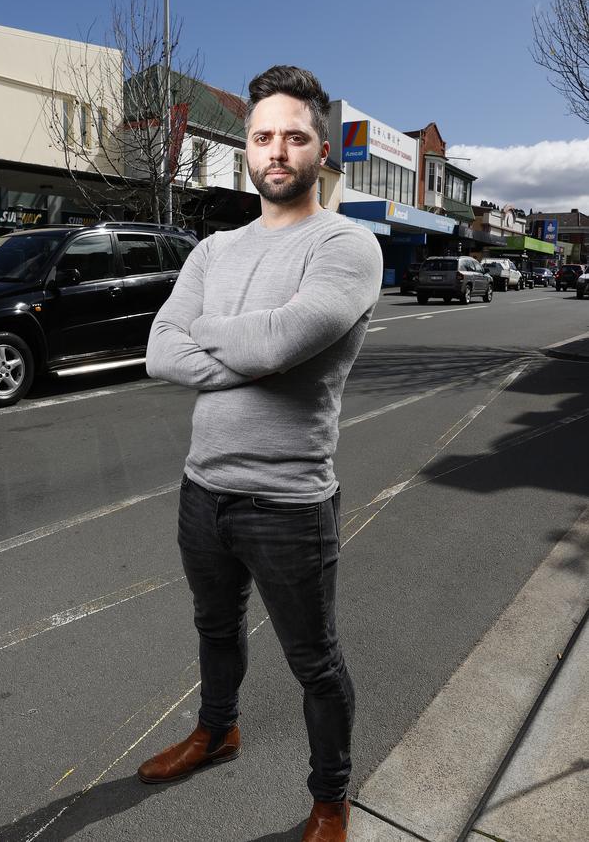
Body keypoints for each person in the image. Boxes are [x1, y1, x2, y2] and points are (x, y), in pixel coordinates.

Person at [138, 65, 382, 842]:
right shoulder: (213, 250)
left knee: (314, 661)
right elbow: (158, 351)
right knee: (215, 629)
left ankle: (330, 799)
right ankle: (218, 730)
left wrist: (217, 337)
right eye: (263, 135)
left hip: (289, 502)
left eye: (295, 136)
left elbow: (282, 341)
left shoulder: (347, 244)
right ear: (248, 145)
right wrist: (250, 349)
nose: (276, 150)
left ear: (322, 150)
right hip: (202, 490)